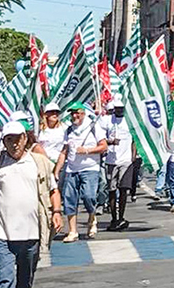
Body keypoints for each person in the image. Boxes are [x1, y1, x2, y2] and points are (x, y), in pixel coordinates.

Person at [0, 121, 63, 288]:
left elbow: (53, 191)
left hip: (31, 233)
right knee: (5, 281)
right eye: (9, 139)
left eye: (18, 138)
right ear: (4, 142)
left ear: (25, 138)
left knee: (25, 281)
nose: (14, 144)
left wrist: (56, 212)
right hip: (2, 234)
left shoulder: (39, 162)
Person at [53, 102, 107, 243]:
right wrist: (57, 170)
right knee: (69, 198)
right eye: (72, 113)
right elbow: (64, 151)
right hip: (72, 169)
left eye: (77, 112)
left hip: (90, 168)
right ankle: (73, 231)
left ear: (83, 113)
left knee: (88, 196)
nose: (74, 116)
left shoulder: (93, 126)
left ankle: (92, 215)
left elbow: (103, 146)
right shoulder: (69, 130)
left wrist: (87, 150)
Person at [104, 101, 134, 231]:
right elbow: (100, 139)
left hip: (126, 161)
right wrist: (110, 142)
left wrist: (133, 157)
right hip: (111, 160)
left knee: (123, 190)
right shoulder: (107, 121)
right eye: (117, 108)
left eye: (122, 108)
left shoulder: (130, 121)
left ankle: (121, 217)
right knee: (111, 191)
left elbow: (135, 139)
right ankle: (114, 218)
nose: (119, 110)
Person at [37, 103, 66, 175]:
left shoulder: (64, 127)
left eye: (57, 112)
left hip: (59, 163)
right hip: (44, 163)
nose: (55, 114)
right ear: (46, 114)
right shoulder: (40, 129)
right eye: (52, 112)